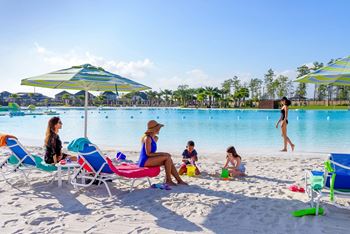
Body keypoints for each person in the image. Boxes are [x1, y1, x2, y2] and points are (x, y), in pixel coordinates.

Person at [138, 120, 188, 186]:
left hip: (149, 159)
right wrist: (163, 154)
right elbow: (148, 153)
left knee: (169, 160)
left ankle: (179, 180)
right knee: (167, 157)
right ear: (155, 129)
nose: (159, 129)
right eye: (159, 128)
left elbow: (152, 153)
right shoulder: (148, 138)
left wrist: (163, 154)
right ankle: (168, 180)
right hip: (145, 161)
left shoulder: (154, 138)